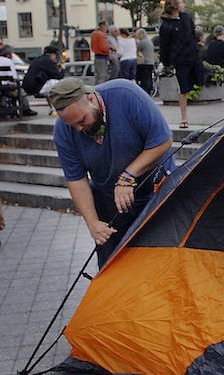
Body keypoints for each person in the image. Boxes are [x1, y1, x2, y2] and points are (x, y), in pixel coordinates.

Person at [49, 77, 175, 268]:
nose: (78, 129)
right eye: (72, 125)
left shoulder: (126, 95)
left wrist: (127, 177)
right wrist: (93, 223)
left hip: (155, 191)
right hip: (109, 200)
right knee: (114, 264)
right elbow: (76, 179)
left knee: (158, 262)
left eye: (82, 121)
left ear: (91, 99)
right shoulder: (63, 131)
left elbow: (162, 141)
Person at [160, 0, 205, 128]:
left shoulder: (186, 18)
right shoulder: (166, 26)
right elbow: (164, 46)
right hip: (180, 60)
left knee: (201, 80)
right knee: (183, 89)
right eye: (181, 2)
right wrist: (166, 63)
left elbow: (191, 33)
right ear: (174, 5)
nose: (183, 5)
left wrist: (196, 45)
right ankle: (184, 117)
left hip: (193, 55)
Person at [22, 46, 64, 114]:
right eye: (55, 55)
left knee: (49, 86)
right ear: (51, 54)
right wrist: (62, 69)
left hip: (28, 86)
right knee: (56, 83)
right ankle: (58, 107)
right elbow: (59, 76)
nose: (55, 57)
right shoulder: (48, 61)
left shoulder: (37, 60)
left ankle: (52, 108)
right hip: (36, 87)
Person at [0, 45, 37, 116]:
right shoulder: (8, 61)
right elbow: (13, 78)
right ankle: (25, 109)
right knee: (21, 90)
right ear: (8, 54)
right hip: (6, 88)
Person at [135, 28, 155, 96]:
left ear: (141, 35)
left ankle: (144, 91)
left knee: (144, 79)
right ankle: (149, 90)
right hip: (150, 62)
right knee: (148, 77)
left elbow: (137, 51)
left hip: (144, 63)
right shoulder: (150, 41)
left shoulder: (142, 42)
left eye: (137, 34)